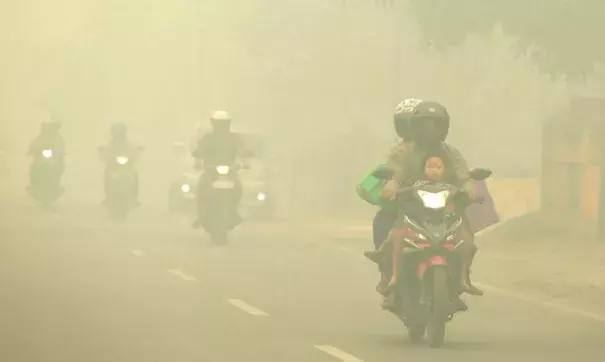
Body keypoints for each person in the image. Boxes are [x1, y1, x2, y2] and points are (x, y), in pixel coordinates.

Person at [381, 100, 483, 301]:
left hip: (446, 206)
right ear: (415, 126)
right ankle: (391, 277)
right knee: (394, 237)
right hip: (411, 205)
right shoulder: (403, 151)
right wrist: (392, 184)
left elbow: (463, 174)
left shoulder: (450, 152)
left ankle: (464, 277)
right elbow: (395, 172)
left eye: (436, 124)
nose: (431, 130)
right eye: (425, 124)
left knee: (467, 238)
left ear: (444, 127)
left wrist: (469, 187)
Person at [191, 110, 246, 229]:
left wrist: (242, 163)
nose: (221, 125)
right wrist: (198, 162)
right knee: (201, 189)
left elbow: (241, 153)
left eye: (223, 123)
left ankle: (234, 212)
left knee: (238, 188)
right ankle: (201, 215)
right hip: (210, 171)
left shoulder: (234, 139)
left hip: (230, 172)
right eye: (219, 123)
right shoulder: (207, 139)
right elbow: (198, 153)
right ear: (213, 123)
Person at [101, 122, 141, 205]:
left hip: (127, 167)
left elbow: (134, 153)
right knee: (107, 172)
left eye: (120, 131)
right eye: (117, 131)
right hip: (113, 167)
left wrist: (133, 157)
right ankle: (108, 195)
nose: (118, 134)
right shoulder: (110, 145)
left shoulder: (128, 144)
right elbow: (105, 155)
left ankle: (134, 196)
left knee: (135, 173)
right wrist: (106, 158)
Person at [27, 120, 66, 195]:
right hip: (41, 160)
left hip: (53, 161)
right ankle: (33, 184)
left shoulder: (58, 137)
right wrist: (32, 149)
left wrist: (60, 152)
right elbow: (35, 143)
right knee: (33, 167)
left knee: (60, 167)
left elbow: (61, 146)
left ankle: (56, 184)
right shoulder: (41, 136)